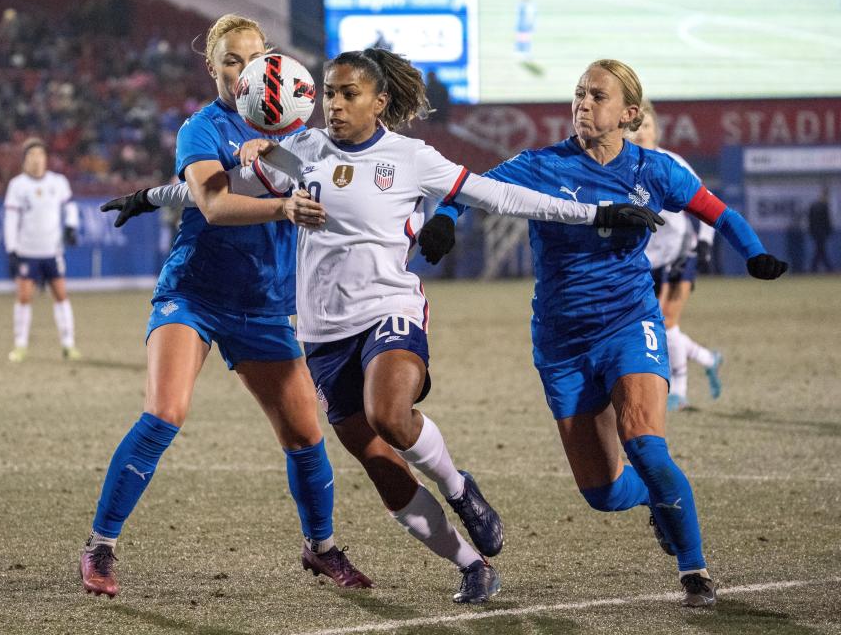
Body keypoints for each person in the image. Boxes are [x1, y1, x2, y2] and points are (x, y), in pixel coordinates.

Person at [136, 48, 662, 603]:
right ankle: (470, 564)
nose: (334, 105)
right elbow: (215, 186)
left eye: (348, 94)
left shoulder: (412, 158)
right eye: (329, 93)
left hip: (390, 310)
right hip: (321, 332)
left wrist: (597, 213)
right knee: (380, 463)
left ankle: (460, 489)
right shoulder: (300, 153)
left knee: (390, 413)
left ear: (379, 101)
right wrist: (148, 196)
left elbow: (503, 196)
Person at [421, 59, 787, 608]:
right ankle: (660, 501)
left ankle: (695, 574)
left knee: (646, 443)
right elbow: (468, 190)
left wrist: (755, 253)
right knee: (603, 492)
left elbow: (718, 211)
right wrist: (446, 219)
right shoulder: (540, 165)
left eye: (597, 96)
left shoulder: (654, 169)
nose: (583, 104)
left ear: (629, 114)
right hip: (561, 342)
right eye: (578, 94)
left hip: (629, 322)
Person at [80, 15, 371, 601]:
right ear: (211, 67)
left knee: (305, 437)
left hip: (264, 305)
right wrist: (283, 208)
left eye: (255, 57)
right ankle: (100, 547)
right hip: (195, 293)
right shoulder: (201, 127)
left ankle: (321, 549)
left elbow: (324, 180)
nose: (245, 70)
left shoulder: (294, 131)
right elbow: (213, 202)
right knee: (165, 412)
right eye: (232, 61)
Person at [627, 100, 723, 411]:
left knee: (666, 322)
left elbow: (706, 201)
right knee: (655, 326)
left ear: (656, 129)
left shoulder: (671, 162)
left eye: (647, 125)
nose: (641, 132)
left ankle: (678, 392)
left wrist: (706, 242)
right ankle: (707, 358)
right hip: (650, 261)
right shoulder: (622, 168)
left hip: (683, 252)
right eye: (634, 127)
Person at [3, 138, 81, 362]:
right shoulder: (17, 185)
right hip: (27, 251)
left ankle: (68, 344)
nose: (37, 159)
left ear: (46, 159)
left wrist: (71, 227)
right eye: (32, 155)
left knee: (61, 295)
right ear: (25, 159)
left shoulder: (58, 182)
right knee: (24, 297)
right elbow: (10, 219)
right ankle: (20, 345)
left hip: (52, 251)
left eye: (41, 155)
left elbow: (71, 206)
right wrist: (11, 249)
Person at [808, 186, 833, 272]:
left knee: (820, 250)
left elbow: (810, 221)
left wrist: (811, 231)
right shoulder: (823, 206)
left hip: (816, 232)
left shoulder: (814, 206)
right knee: (820, 250)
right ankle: (827, 268)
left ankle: (815, 268)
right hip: (821, 232)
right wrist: (829, 231)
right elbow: (827, 221)